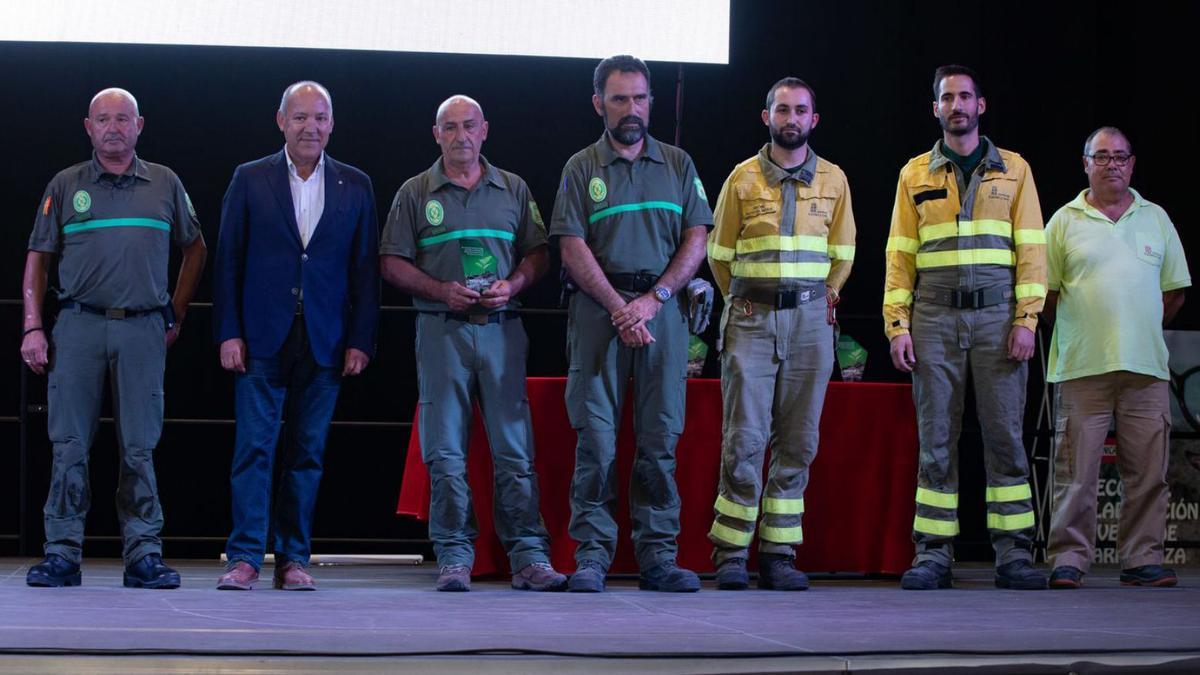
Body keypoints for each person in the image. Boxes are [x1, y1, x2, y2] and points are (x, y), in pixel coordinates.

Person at [21, 87, 207, 589]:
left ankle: (143, 553)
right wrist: (33, 326)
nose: (113, 127)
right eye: (103, 119)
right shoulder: (66, 184)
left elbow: (196, 248)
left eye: (123, 119)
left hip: (143, 327)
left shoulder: (164, 182)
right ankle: (61, 553)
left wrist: (177, 309)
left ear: (139, 126)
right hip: (78, 325)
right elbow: (38, 259)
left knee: (140, 446)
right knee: (68, 444)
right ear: (88, 127)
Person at [380, 95, 566, 592]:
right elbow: (391, 261)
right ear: (435, 134)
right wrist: (441, 290)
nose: (460, 135)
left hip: (504, 330)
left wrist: (516, 284)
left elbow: (539, 253)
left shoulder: (514, 188)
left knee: (514, 448)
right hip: (442, 330)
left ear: (485, 131)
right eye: (450, 127)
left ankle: (529, 555)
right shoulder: (416, 192)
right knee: (444, 451)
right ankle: (454, 556)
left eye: (469, 126)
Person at [550, 54, 712, 593]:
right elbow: (571, 247)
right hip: (598, 312)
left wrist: (654, 299)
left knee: (660, 437)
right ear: (599, 103)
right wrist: (620, 307)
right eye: (619, 99)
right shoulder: (580, 167)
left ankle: (658, 557)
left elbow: (696, 238)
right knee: (596, 440)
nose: (632, 109)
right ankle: (592, 556)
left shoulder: (678, 164)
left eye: (640, 98)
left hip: (662, 313)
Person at [883, 65, 1048, 590]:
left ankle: (1014, 554)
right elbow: (899, 257)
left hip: (999, 317)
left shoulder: (1015, 170)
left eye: (965, 97)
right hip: (933, 316)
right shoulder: (915, 174)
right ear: (936, 108)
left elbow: (1032, 254)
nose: (957, 105)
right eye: (947, 98)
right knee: (936, 439)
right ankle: (933, 554)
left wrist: (1026, 320)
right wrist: (897, 326)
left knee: (1004, 438)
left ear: (982, 105)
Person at [213, 81, 379, 591]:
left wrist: (361, 339)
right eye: (301, 117)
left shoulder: (356, 184)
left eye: (321, 118)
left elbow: (365, 271)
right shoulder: (250, 178)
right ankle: (244, 558)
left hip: (326, 340)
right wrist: (229, 332)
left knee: (307, 454)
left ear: (332, 124)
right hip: (261, 336)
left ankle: (293, 560)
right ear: (281, 120)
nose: (312, 127)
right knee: (254, 450)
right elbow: (228, 262)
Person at [706, 77, 856, 590]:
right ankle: (730, 551)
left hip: (813, 322)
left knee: (798, 440)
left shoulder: (834, 179)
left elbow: (844, 254)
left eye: (801, 111)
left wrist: (821, 298)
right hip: (751, 317)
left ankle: (778, 552)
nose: (791, 118)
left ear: (814, 119)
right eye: (783, 110)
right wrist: (750, 301)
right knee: (743, 437)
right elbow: (719, 257)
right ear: (766, 116)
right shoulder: (741, 179)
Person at [1043, 127, 1190, 589]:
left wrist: (1134, 330)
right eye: (1101, 156)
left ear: (1132, 164)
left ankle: (1141, 559)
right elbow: (1044, 295)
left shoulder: (1156, 218)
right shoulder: (1064, 220)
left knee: (1149, 474)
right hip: (1082, 366)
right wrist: (1083, 330)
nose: (1112, 164)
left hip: (1145, 368)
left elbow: (1174, 294)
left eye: (1120, 157)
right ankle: (1069, 558)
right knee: (1075, 473)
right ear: (1085, 163)